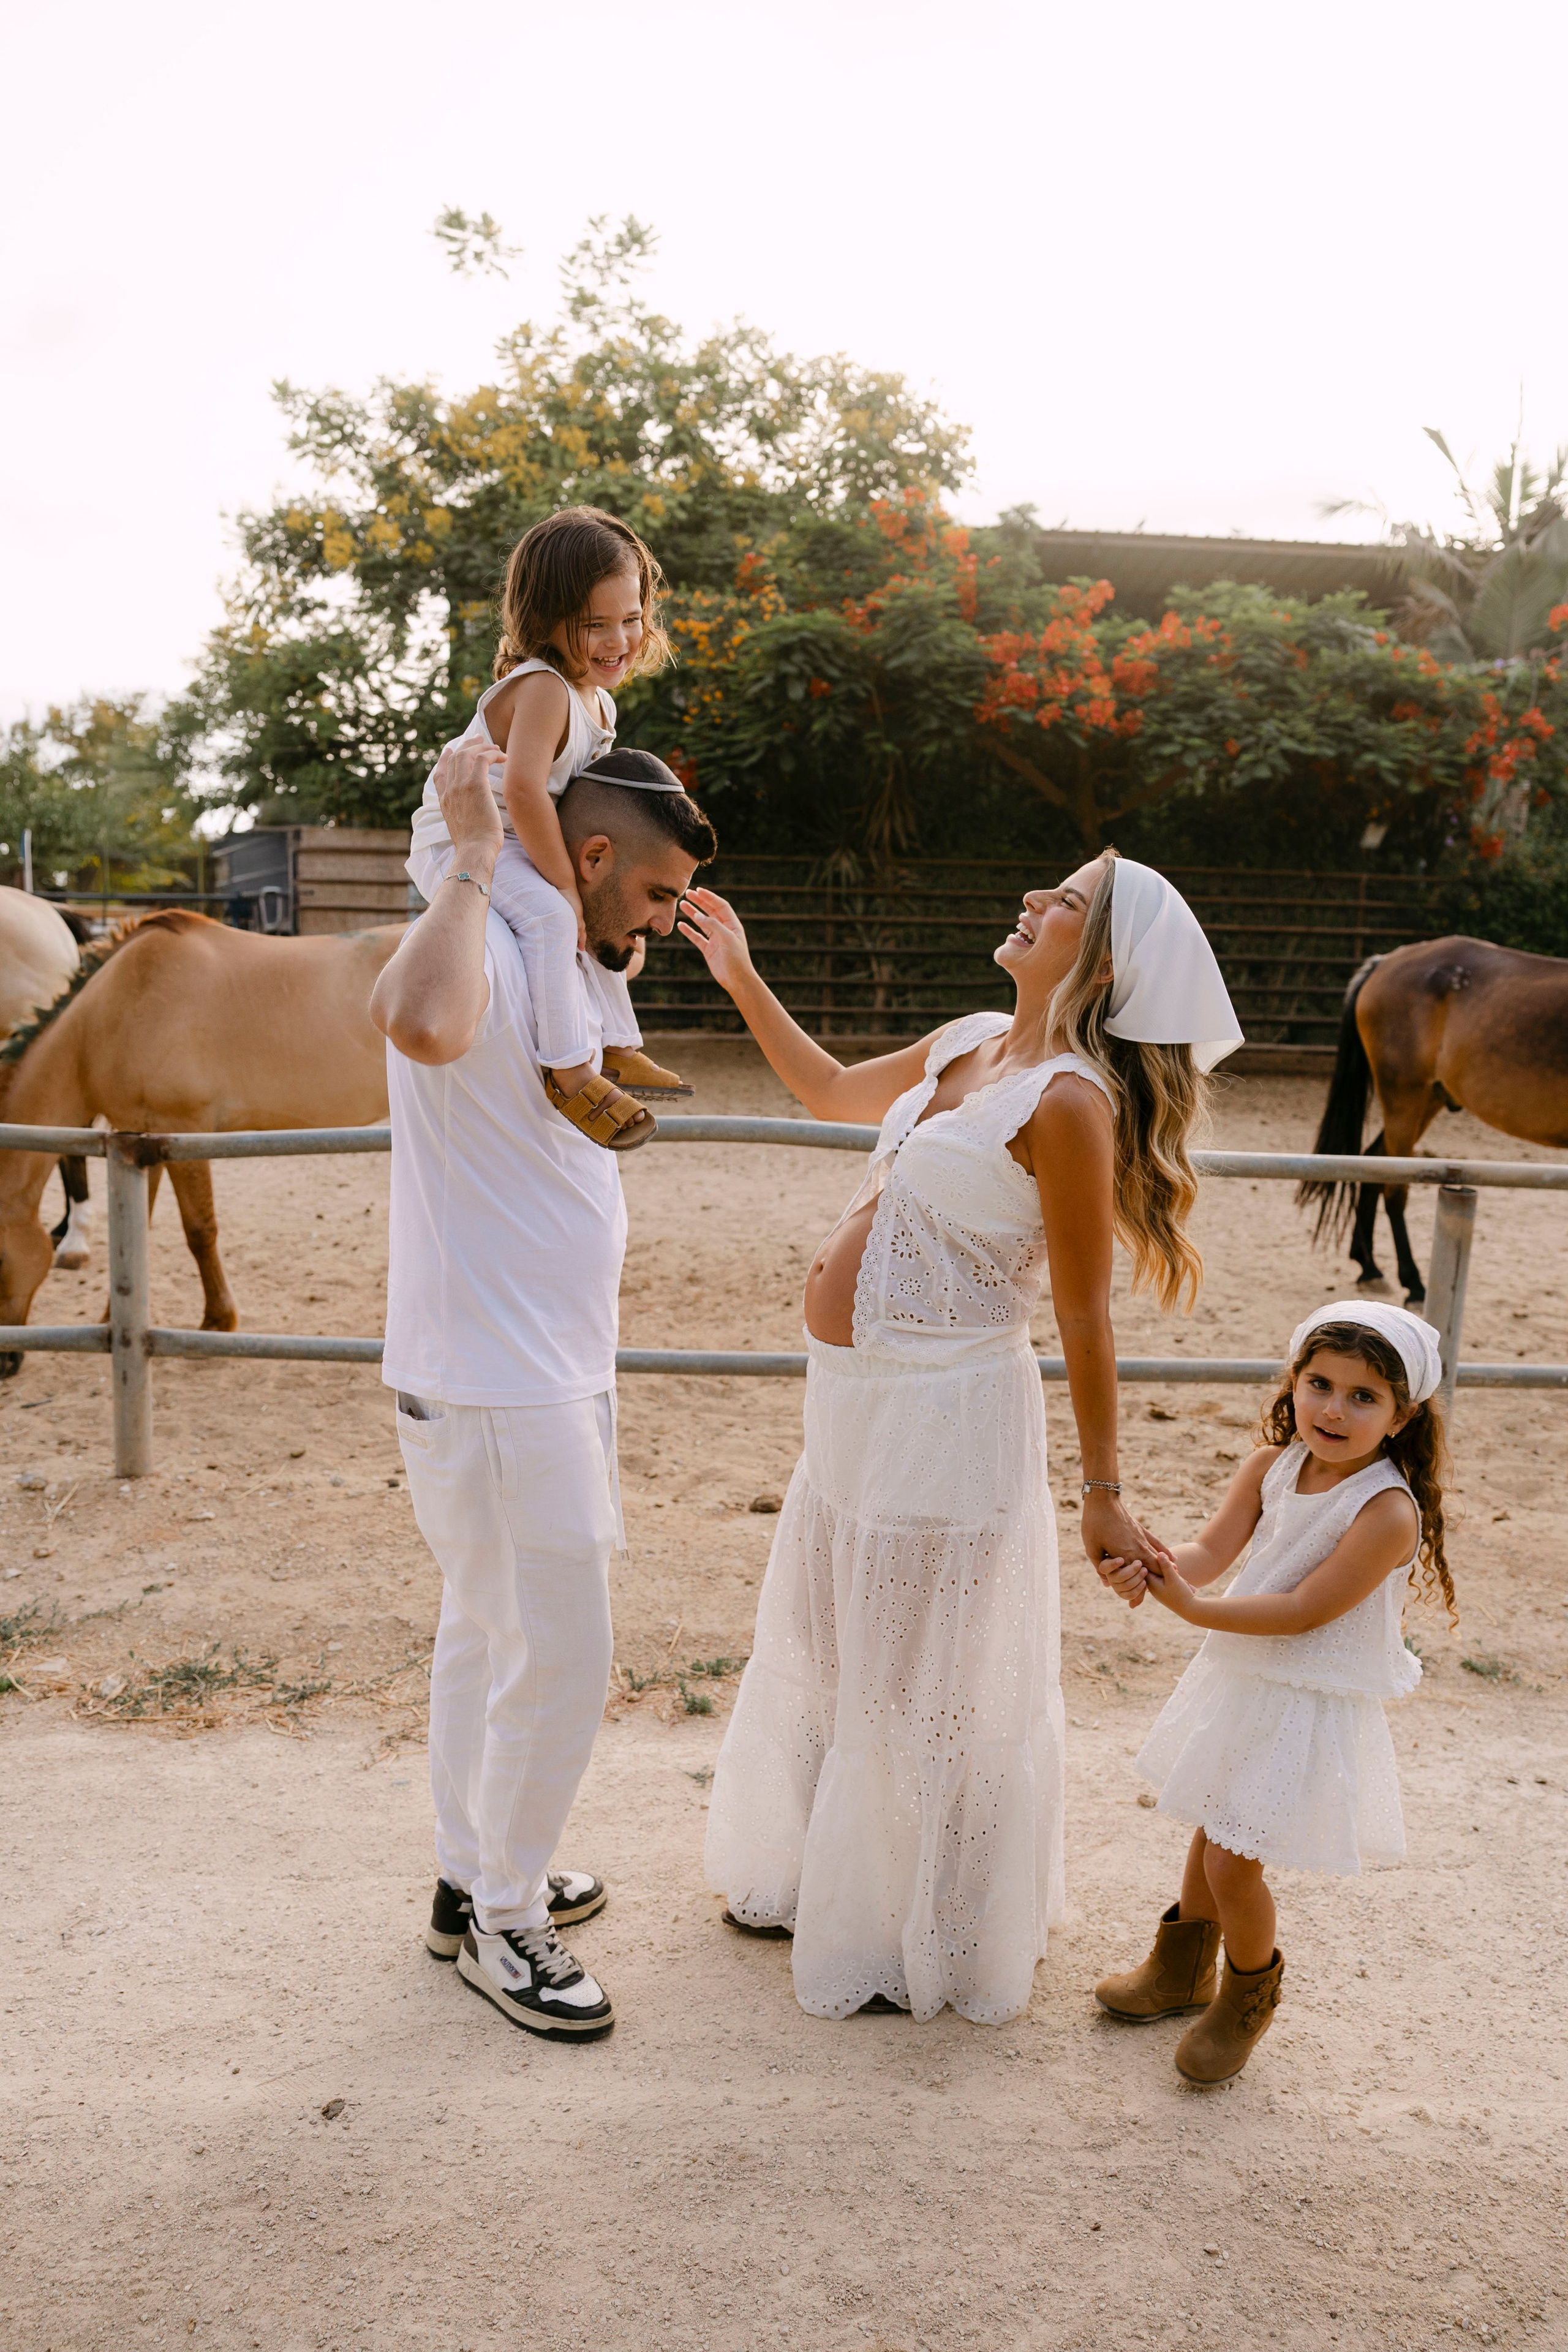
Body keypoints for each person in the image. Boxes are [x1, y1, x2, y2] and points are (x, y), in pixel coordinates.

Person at [679, 850, 1242, 2024]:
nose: (1034, 900)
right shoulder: (969, 1038)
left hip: (949, 1414)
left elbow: (1084, 1309)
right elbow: (831, 1088)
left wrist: (1101, 1488)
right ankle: (828, 1888)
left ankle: (921, 1929)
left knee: (915, 1672)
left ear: (1101, 960)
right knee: (839, 1647)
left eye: (1067, 903)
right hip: (853, 1403)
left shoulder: (1070, 1101)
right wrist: (739, 974)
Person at [373, 734, 717, 2038]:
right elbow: (413, 1023)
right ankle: (507, 1923)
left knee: (486, 1629)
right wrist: (469, 859)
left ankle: (473, 1880)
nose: (659, 918)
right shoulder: (481, 937)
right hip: (500, 1384)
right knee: (564, 1653)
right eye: (649, 892)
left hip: (535, 1372)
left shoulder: (555, 958)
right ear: (585, 856)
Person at [1094, 1301, 1453, 2084]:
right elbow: (1212, 1549)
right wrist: (1152, 1565)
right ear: (1292, 1381)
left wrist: (1190, 1607)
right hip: (1247, 1679)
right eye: (1320, 1383)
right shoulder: (1271, 1466)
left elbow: (1302, 1611)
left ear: (1402, 1418)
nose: (1332, 1408)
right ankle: (1181, 1970)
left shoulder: (1387, 1512)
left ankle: (1247, 1994)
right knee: (1207, 1824)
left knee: (1232, 1859)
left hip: (1306, 1698)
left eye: (1364, 1397)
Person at [407, 505, 690, 1151]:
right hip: (466, 836)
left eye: (630, 620)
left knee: (603, 907)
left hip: (522, 835)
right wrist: (565, 886)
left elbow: (575, 804)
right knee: (555, 919)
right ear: (547, 622)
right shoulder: (544, 688)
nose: (617, 640)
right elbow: (527, 791)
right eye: (594, 625)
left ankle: (618, 1044)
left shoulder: (600, 699)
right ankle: (569, 1072)